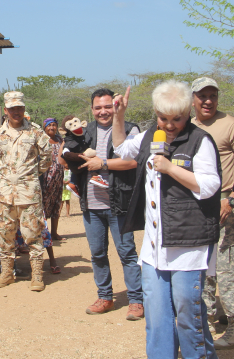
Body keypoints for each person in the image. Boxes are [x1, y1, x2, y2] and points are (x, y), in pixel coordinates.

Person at [112, 81, 222, 359]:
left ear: (188, 113)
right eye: (164, 118)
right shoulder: (151, 136)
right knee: (158, 318)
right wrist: (119, 116)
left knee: (188, 314)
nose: (170, 125)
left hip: (188, 245)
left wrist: (171, 168)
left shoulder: (200, 141)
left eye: (177, 119)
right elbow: (121, 149)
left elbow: (209, 186)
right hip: (154, 247)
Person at [63, 88, 144, 319]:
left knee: (127, 252)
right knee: (97, 253)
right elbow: (66, 153)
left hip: (120, 203)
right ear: (92, 110)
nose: (103, 111)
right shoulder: (83, 132)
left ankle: (136, 301)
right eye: (98, 107)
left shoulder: (130, 129)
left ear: (115, 106)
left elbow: (133, 162)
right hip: (91, 203)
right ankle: (105, 296)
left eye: (108, 106)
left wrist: (103, 164)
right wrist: (74, 155)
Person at [190, 76, 234, 349]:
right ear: (192, 99)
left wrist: (233, 199)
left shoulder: (231, 125)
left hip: (226, 205)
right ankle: (208, 320)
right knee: (202, 267)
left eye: (213, 95)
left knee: (228, 266)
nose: (208, 100)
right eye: (202, 95)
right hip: (196, 208)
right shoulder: (186, 127)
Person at [0, 91, 52, 292]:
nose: (16, 111)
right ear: (5, 110)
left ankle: (37, 275)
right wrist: (8, 175)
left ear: (24, 109)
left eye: (19, 108)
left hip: (29, 193)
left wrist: (27, 175)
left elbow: (46, 159)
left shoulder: (36, 132)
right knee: (5, 233)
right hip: (5, 193)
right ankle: (6, 273)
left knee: (33, 233)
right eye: (12, 108)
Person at [40, 118, 66, 240]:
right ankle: (42, 233)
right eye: (49, 125)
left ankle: (54, 233)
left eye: (54, 125)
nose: (52, 127)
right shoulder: (41, 140)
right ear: (44, 127)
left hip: (59, 178)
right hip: (45, 178)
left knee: (57, 204)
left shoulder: (61, 140)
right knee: (43, 204)